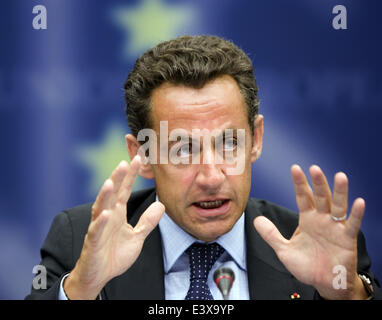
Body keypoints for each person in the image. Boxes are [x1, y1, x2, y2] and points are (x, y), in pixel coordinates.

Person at [26, 35, 381, 300]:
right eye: (183, 150)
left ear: (255, 139)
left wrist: (346, 292)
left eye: (229, 144)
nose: (211, 177)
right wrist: (82, 289)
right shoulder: (79, 240)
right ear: (143, 155)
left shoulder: (318, 246)